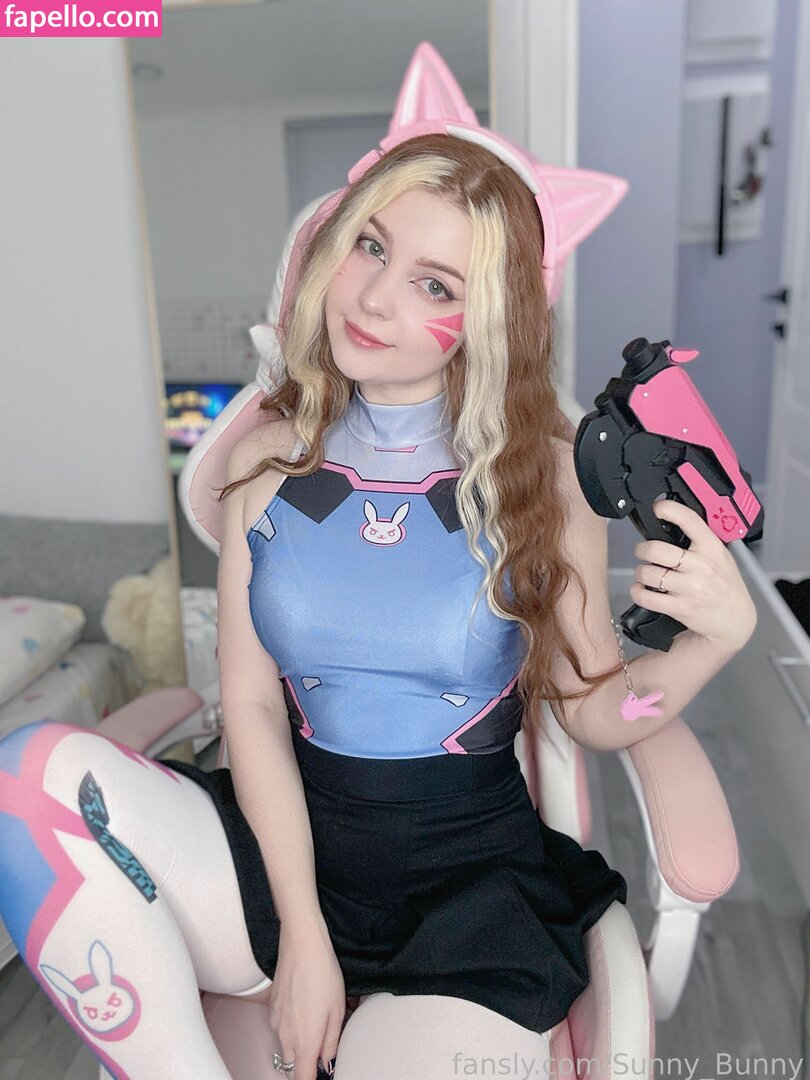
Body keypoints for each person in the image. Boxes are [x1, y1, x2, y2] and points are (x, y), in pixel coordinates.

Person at [0, 43, 756, 1080]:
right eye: (370, 245)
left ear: (482, 321)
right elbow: (251, 708)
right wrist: (304, 940)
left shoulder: (543, 477)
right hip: (276, 856)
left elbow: (588, 707)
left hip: (466, 889)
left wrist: (716, 640)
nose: (373, 297)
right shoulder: (264, 461)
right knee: (29, 776)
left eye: (432, 282)